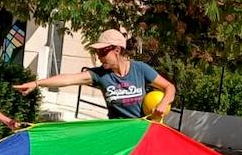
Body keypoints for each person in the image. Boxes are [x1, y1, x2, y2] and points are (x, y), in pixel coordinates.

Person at [13, 29, 176, 121]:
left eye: (102, 52)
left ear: (117, 50)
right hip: (117, 134)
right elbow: (69, 79)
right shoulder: (100, 75)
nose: (99, 56)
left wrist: (163, 104)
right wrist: (37, 83)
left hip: (143, 131)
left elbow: (170, 87)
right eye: (97, 52)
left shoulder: (140, 69)